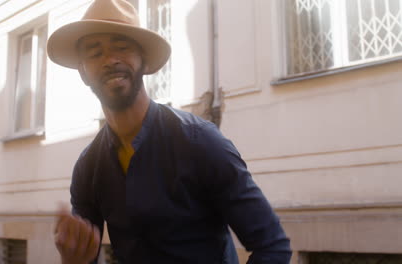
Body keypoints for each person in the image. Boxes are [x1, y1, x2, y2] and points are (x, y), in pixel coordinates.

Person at [47, 0, 292, 263]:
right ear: (83, 73)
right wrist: (74, 258)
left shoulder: (201, 142)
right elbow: (84, 255)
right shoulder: (88, 167)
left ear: (143, 59)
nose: (110, 59)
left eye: (121, 46)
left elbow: (272, 247)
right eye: (95, 53)